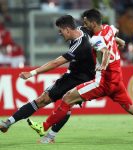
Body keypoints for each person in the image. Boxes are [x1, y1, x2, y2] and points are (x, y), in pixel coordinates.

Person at [28, 9, 133, 135]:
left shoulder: (95, 39)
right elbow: (115, 32)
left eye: (86, 23)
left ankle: (44, 126)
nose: (84, 26)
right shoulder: (108, 28)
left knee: (68, 97)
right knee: (131, 108)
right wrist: (119, 41)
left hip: (103, 82)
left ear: (93, 23)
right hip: (117, 81)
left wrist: (103, 65)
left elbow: (105, 52)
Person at [0, 15, 96, 143]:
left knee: (67, 103)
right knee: (43, 99)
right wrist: (115, 39)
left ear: (67, 29)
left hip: (82, 78)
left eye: (60, 30)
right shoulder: (83, 30)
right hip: (73, 74)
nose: (59, 33)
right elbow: (102, 31)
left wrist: (32, 73)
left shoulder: (80, 45)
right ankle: (8, 123)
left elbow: (56, 63)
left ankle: (50, 137)